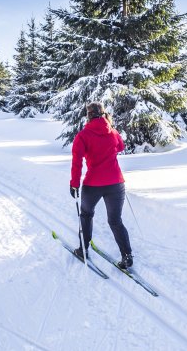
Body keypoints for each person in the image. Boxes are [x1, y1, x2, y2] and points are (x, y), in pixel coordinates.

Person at [70, 102, 133, 269]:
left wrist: (74, 184)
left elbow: (77, 163)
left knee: (86, 215)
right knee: (115, 220)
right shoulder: (112, 131)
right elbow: (120, 146)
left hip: (93, 184)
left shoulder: (83, 135)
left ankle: (83, 250)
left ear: (88, 115)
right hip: (116, 183)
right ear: (103, 113)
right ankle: (127, 256)